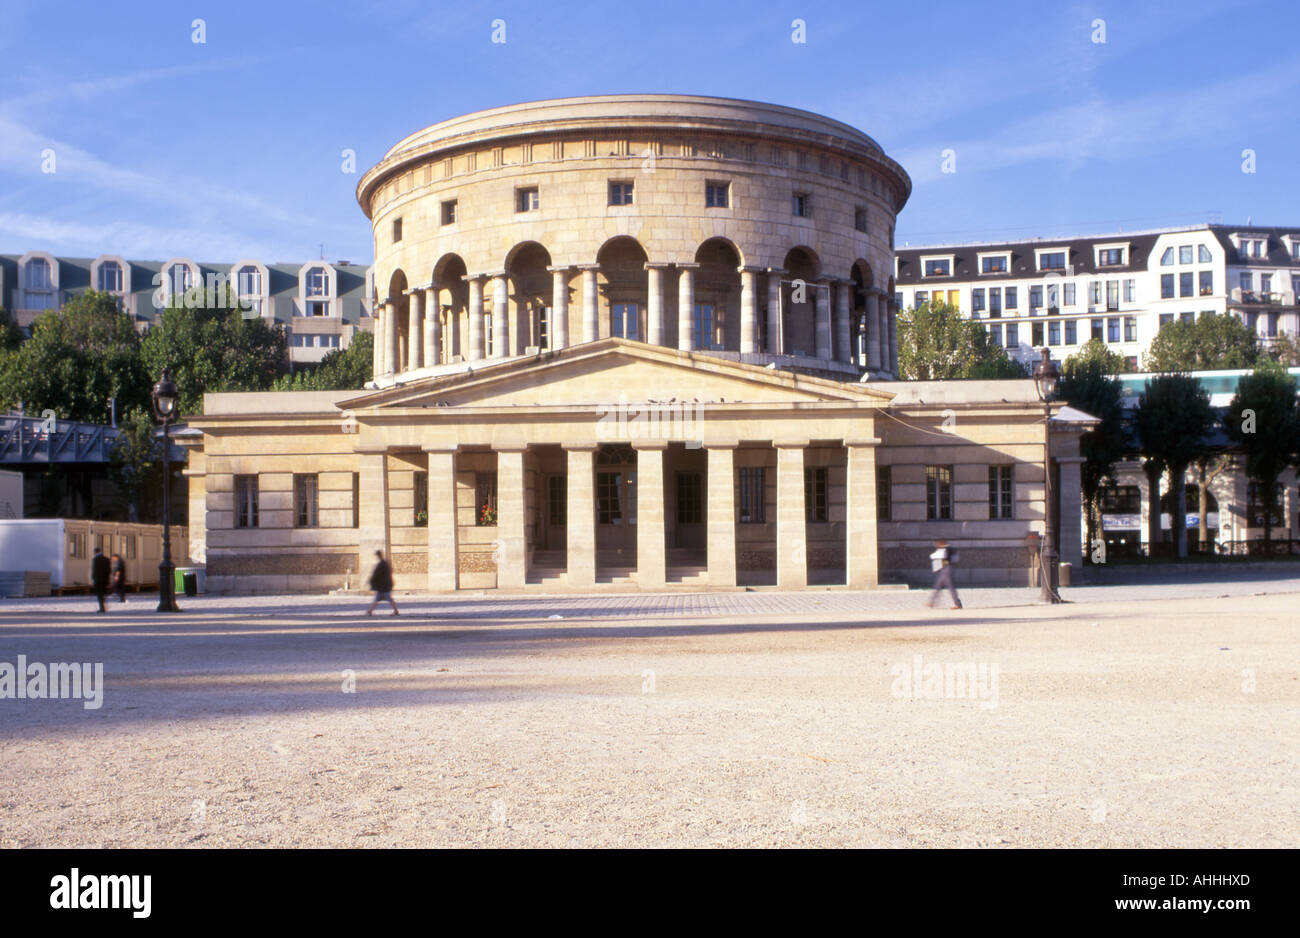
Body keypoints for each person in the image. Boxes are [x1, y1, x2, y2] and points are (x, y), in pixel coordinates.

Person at [925, 539, 962, 609]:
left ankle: (958, 604)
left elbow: (935, 556)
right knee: (938, 585)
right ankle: (931, 602)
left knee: (950, 587)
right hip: (946, 568)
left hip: (947, 569)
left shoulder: (945, 549)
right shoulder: (950, 549)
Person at [365, 550, 399, 616]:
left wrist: (371, 581)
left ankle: (396, 611)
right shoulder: (384, 563)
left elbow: (376, 574)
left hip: (383, 586)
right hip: (385, 585)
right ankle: (370, 611)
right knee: (382, 599)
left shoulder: (381, 564)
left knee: (381, 599)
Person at [91, 547, 111, 614]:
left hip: (98, 580)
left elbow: (94, 570)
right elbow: (109, 570)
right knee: (103, 594)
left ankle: (102, 608)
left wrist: (93, 578)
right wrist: (107, 579)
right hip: (105, 580)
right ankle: (103, 607)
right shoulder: (107, 559)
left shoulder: (95, 559)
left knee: (99, 594)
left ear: (95, 552)